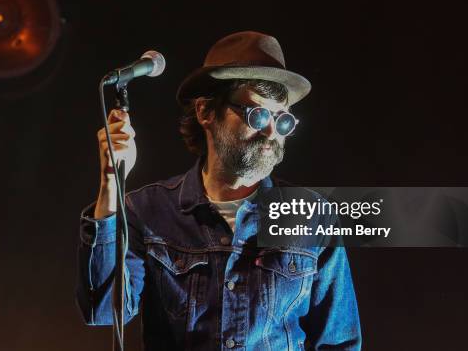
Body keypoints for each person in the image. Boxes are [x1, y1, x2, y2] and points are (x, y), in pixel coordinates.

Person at [76, 31, 362, 350]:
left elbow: (339, 343)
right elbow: (101, 310)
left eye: (282, 121)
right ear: (206, 112)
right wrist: (110, 183)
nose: (271, 132)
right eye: (258, 114)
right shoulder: (148, 211)